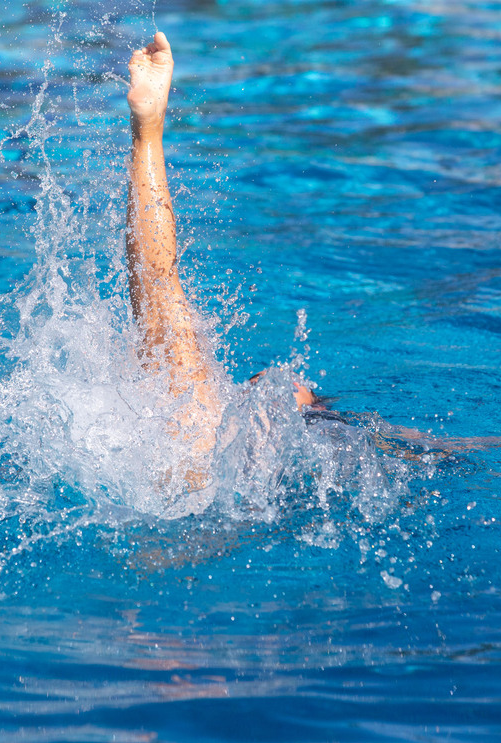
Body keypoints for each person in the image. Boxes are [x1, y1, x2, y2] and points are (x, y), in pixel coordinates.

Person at [125, 32, 315, 474]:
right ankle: (147, 135)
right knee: (164, 312)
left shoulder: (304, 429)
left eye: (290, 385)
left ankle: (147, 135)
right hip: (228, 475)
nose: (279, 378)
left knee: (164, 314)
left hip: (219, 477)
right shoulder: (223, 420)